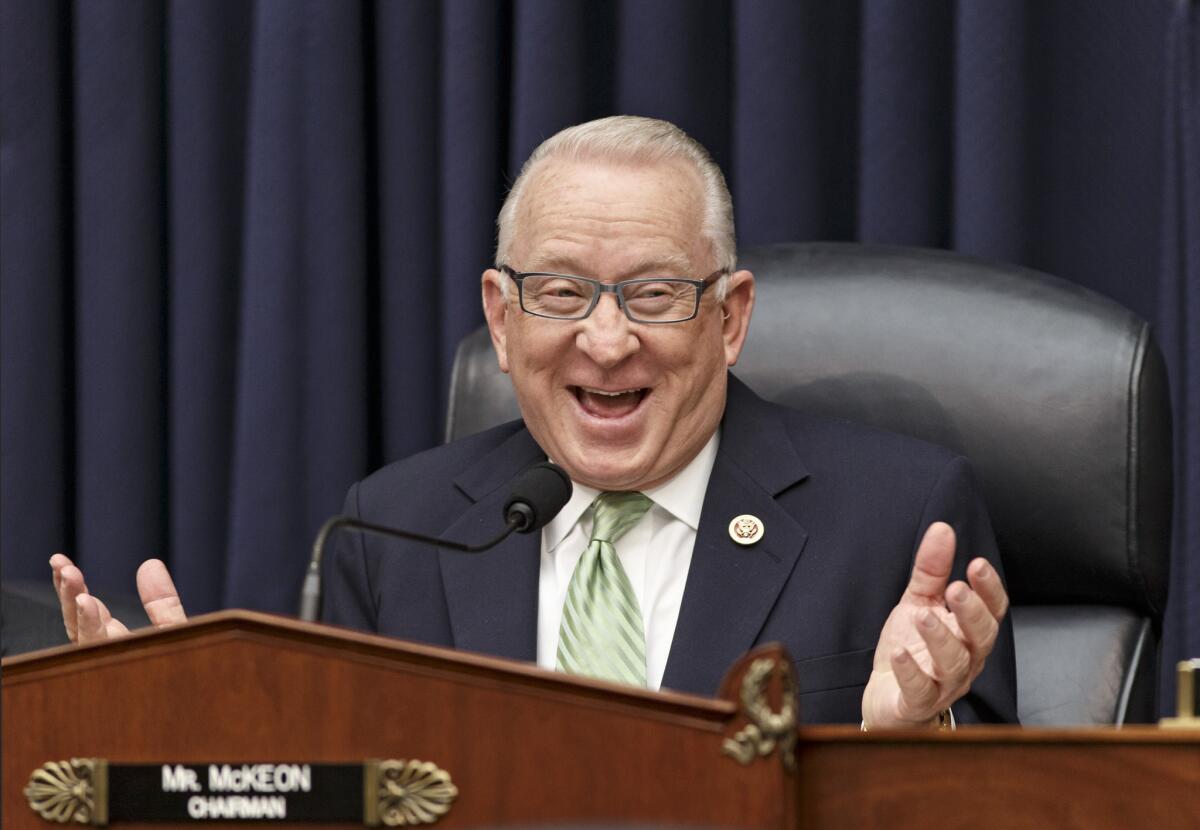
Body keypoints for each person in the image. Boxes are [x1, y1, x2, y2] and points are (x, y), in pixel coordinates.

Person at [51, 116, 1017, 727]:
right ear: (502, 321)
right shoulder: (392, 532)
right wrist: (179, 750)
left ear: (730, 319)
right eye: (560, 293)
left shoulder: (902, 517)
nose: (604, 342)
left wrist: (903, 745)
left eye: (653, 293)